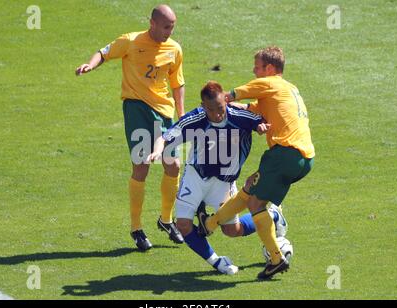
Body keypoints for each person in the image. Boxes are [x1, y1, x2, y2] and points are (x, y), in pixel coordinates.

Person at [198, 46, 315, 280]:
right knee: (251, 185)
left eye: (258, 67)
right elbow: (253, 109)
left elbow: (231, 96)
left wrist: (213, 106)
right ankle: (209, 224)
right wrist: (237, 109)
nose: (254, 70)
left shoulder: (270, 82)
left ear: (270, 69)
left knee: (255, 204)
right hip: (304, 157)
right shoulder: (288, 89)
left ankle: (275, 258)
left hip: (284, 153)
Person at [75, 5, 185, 251]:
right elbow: (104, 52)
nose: (170, 31)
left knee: (174, 165)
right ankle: (136, 228)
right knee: (142, 166)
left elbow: (177, 83)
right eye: (166, 26)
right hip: (137, 109)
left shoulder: (174, 49)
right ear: (153, 23)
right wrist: (90, 65)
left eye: (173, 26)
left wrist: (181, 113)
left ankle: (166, 220)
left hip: (165, 112)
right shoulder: (131, 41)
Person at [147, 81, 276, 274]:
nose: (217, 114)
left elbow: (260, 119)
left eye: (220, 108)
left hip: (224, 183)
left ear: (226, 100)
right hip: (196, 176)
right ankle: (217, 262)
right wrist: (157, 152)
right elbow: (165, 136)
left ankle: (275, 215)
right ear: (203, 106)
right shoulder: (196, 119)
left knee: (232, 230)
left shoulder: (239, 116)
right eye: (211, 110)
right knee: (183, 224)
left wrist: (260, 127)